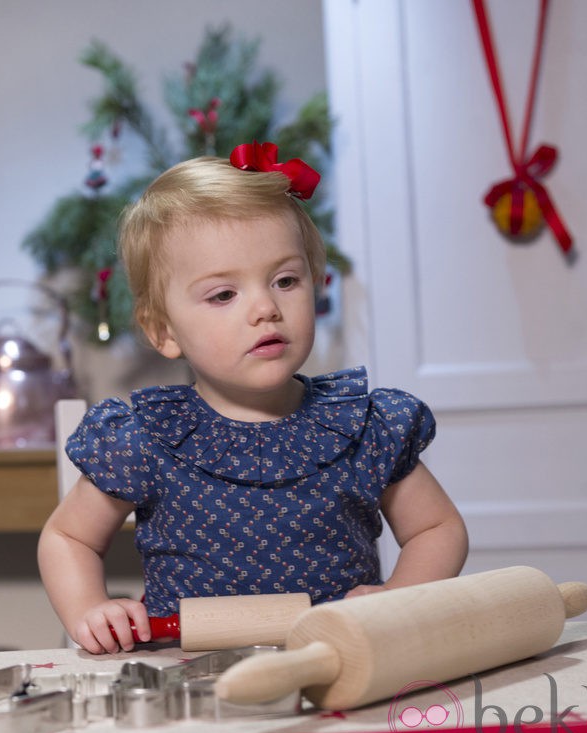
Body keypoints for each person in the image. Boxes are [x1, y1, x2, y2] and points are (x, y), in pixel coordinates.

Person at [37, 141, 468, 654]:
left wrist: (399, 598)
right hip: (188, 677)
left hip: (338, 664)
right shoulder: (146, 439)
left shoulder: (364, 426)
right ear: (164, 331)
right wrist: (92, 609)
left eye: (285, 280)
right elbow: (69, 539)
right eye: (224, 294)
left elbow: (438, 529)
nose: (266, 307)